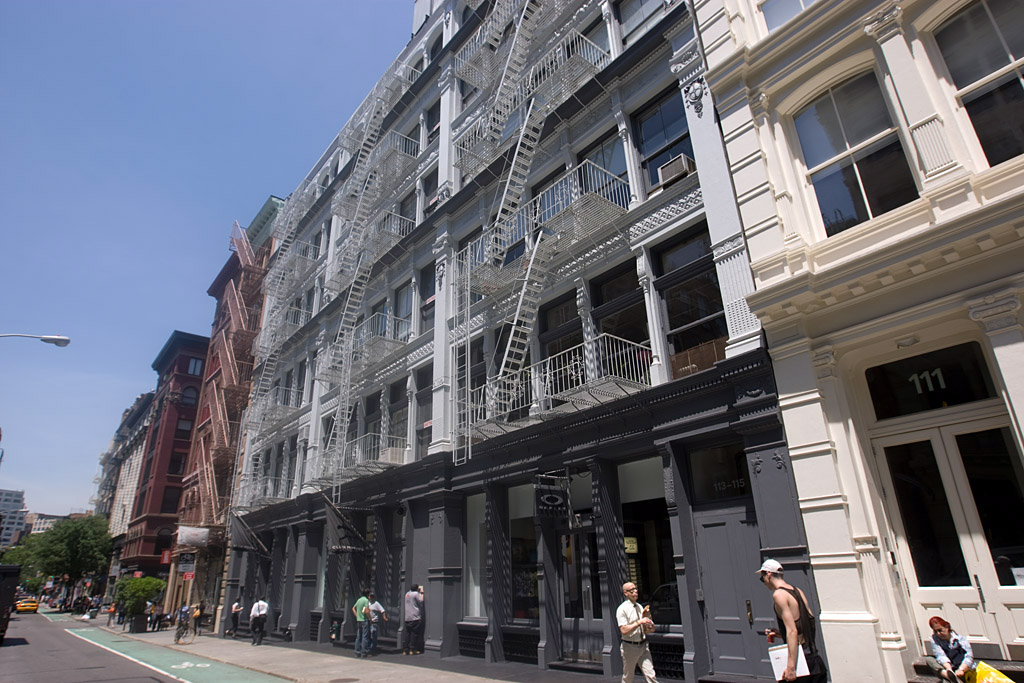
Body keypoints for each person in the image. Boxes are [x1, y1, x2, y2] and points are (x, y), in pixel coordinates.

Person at [759, 559, 827, 683]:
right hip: (815, 662)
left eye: (762, 578)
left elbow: (792, 631)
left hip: (800, 665)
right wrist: (780, 634)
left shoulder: (779, 595)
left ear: (768, 574)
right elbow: (808, 624)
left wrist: (791, 667)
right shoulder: (798, 591)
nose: (763, 582)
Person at [616, 581, 658, 683]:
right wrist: (639, 622)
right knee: (628, 676)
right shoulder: (622, 609)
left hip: (643, 646)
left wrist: (650, 627)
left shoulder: (640, 607)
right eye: (632, 590)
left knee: (651, 675)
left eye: (636, 589)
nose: (635, 591)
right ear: (626, 593)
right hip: (630, 647)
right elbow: (623, 630)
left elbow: (645, 628)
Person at [926, 616, 975, 682]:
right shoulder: (934, 638)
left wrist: (961, 669)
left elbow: (969, 657)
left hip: (962, 669)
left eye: (940, 630)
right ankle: (948, 675)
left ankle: (952, 678)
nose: (938, 633)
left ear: (947, 627)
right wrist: (949, 669)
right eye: (935, 631)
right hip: (950, 668)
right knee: (929, 659)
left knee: (946, 681)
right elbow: (940, 655)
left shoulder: (960, 639)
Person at [402, 584, 424, 655]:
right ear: (417, 589)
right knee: (414, 634)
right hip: (415, 617)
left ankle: (405, 650)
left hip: (408, 617)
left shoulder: (407, 594)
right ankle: (412, 649)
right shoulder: (416, 594)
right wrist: (422, 593)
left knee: (407, 634)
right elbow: (421, 600)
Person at [352, 589, 371, 658]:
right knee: (365, 636)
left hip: (359, 620)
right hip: (364, 620)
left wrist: (357, 615)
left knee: (358, 636)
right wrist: (370, 618)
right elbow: (366, 611)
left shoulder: (359, 600)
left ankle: (357, 651)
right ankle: (364, 652)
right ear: (367, 594)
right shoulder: (366, 600)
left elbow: (353, 608)